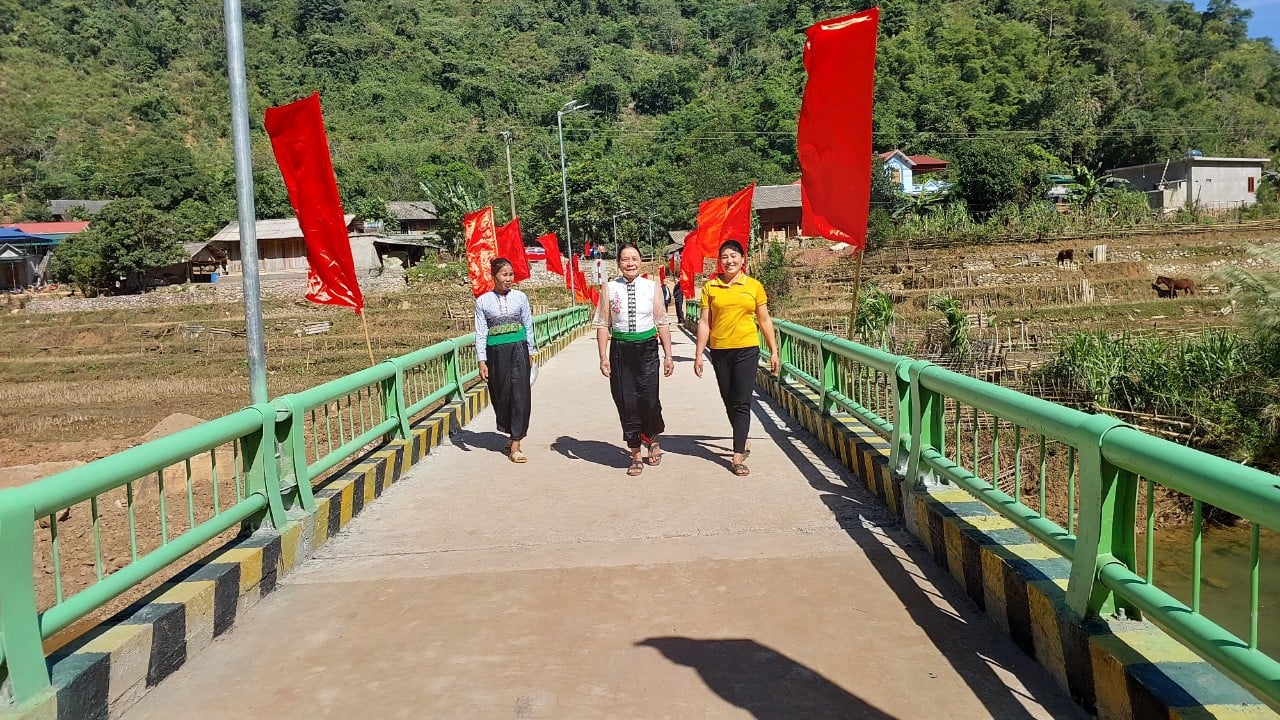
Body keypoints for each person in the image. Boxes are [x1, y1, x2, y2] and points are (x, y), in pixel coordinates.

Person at [692, 239, 780, 476]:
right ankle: (743, 437)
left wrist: (774, 351)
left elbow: (764, 320)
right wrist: (699, 353)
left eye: (733, 256)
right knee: (728, 399)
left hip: (746, 350)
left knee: (742, 401)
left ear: (742, 260)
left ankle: (737, 455)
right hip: (720, 350)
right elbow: (704, 322)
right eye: (724, 257)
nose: (729, 261)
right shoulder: (711, 288)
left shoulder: (753, 286)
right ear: (719, 261)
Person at [595, 243, 675, 476]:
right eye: (625, 259)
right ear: (619, 263)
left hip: (648, 348)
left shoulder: (652, 287)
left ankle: (652, 438)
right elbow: (602, 324)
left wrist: (668, 355)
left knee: (649, 399)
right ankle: (635, 454)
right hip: (620, 349)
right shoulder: (609, 288)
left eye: (634, 259)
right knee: (626, 401)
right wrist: (603, 357)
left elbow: (662, 322)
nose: (630, 263)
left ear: (641, 261)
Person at [475, 257, 536, 463]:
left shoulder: (520, 298)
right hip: (495, 353)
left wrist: (530, 351)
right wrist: (482, 360)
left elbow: (528, 325)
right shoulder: (483, 301)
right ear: (494, 276)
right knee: (501, 395)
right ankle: (511, 432)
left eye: (511, 274)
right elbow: (481, 332)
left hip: (519, 349)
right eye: (504, 274)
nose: (509, 279)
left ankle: (517, 443)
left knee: (520, 394)